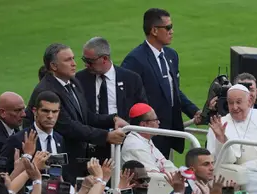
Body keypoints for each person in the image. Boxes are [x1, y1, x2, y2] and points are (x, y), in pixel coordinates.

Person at [25, 43, 127, 180]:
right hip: (58, 161)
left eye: (73, 58)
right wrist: (106, 136)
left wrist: (112, 119)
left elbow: (86, 116)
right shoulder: (47, 92)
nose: (74, 64)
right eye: (68, 60)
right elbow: (68, 126)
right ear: (53, 66)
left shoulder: (73, 82)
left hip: (77, 159)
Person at [122, 8, 201, 158]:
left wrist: (194, 111)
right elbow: (128, 97)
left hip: (168, 131)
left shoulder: (171, 55)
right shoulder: (135, 60)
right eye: (168, 27)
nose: (172, 31)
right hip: (149, 133)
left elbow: (174, 90)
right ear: (154, 31)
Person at [76, 36, 148, 161]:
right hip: (92, 143)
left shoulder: (131, 79)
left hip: (124, 142)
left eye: (90, 61)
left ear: (104, 58)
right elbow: (82, 114)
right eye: (84, 60)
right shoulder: (79, 79)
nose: (86, 64)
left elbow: (142, 112)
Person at [0, 91, 65, 174]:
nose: (50, 116)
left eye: (54, 112)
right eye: (45, 111)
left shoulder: (59, 139)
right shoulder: (18, 140)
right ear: (35, 111)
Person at [121, 103, 176, 173]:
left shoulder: (145, 140)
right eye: (155, 120)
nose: (158, 122)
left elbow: (164, 163)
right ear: (143, 125)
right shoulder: (135, 145)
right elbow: (153, 175)